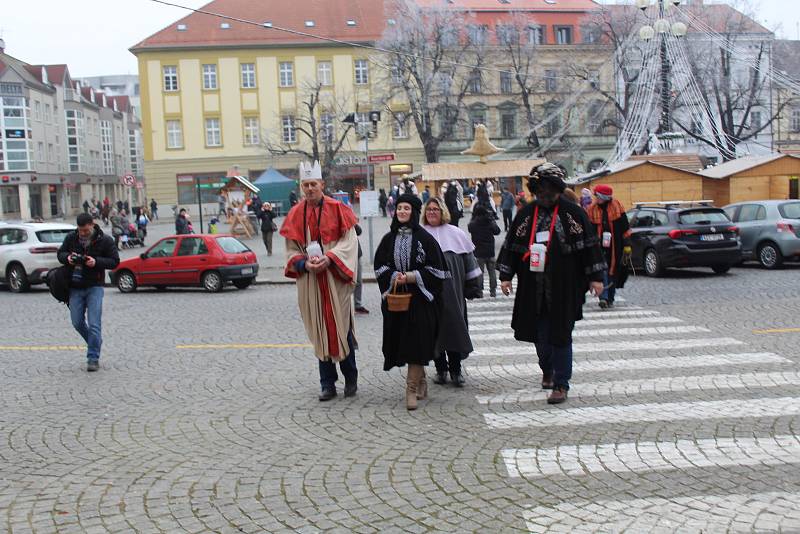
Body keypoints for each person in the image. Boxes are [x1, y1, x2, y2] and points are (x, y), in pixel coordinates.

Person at [497, 163, 606, 405]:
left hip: (564, 286)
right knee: (541, 337)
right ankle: (547, 368)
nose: (545, 193)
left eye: (549, 187)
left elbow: (589, 246)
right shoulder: (526, 214)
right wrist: (506, 276)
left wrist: (596, 278)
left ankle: (561, 384)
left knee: (562, 335)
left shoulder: (572, 213)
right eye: (541, 188)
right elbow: (512, 246)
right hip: (532, 287)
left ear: (557, 188)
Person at [281, 161, 360, 401]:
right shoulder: (296, 213)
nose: (309, 188)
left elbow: (350, 242)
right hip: (312, 281)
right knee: (319, 329)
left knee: (341, 328)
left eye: (313, 184)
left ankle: (350, 379)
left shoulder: (338, 208)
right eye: (305, 185)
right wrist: (305, 264)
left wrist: (331, 258)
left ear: (322, 184)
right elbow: (290, 249)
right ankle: (327, 384)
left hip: (334, 278)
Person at [375, 194, 449, 410]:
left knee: (416, 343)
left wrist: (412, 276)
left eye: (406, 208)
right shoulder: (388, 239)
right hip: (396, 300)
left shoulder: (425, 239)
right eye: (399, 208)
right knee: (404, 343)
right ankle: (422, 379)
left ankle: (410, 389)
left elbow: (438, 271)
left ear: (414, 212)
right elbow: (380, 266)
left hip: (421, 301)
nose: (402, 212)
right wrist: (393, 276)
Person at [421, 197, 482, 387]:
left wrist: (473, 285)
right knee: (434, 331)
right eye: (429, 209)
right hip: (429, 294)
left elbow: (470, 262)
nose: (432, 212)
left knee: (455, 328)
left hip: (454, 292)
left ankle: (456, 371)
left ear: (443, 212)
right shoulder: (420, 234)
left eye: (435, 209)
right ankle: (441, 370)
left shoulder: (456, 233)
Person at [57, 213, 120, 372]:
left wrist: (96, 262)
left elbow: (114, 261)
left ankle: (93, 357)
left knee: (94, 323)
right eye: (80, 230)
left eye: (85, 230)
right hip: (75, 286)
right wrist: (68, 258)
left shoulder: (105, 240)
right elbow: (60, 254)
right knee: (77, 322)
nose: (82, 233)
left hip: (95, 287)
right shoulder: (71, 238)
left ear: (92, 225)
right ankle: (95, 341)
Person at [587, 184, 631, 309]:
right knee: (602, 270)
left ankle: (610, 297)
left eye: (598, 196)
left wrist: (627, 245)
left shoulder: (617, 206)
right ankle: (604, 298)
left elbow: (625, 227)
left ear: (605, 197)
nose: (597, 199)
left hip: (615, 246)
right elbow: (589, 229)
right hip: (598, 246)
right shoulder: (592, 209)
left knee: (613, 272)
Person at [468, 204, 501, 298]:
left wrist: (473, 218)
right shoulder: (489, 222)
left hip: (478, 252)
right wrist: (492, 220)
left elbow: (469, 228)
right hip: (490, 252)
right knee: (492, 272)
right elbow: (497, 231)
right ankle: (493, 291)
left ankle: (480, 291)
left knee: (479, 273)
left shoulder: (473, 224)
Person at [353, 221, 370, 315]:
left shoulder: (349, 219)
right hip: (343, 255)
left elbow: (359, 231)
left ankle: (357, 305)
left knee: (358, 280)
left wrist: (352, 222)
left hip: (356, 253)